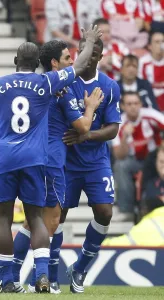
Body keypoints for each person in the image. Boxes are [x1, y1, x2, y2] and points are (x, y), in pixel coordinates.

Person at [0, 24, 102, 293]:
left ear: (15, 61)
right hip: (35, 158)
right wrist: (91, 40)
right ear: (38, 63)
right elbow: (81, 65)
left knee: (2, 219)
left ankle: (7, 282)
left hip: (3, 157)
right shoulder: (46, 82)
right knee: (37, 218)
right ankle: (43, 276)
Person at [61, 37, 121, 294]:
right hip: (66, 161)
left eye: (93, 52)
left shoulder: (109, 86)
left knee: (105, 213)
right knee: (57, 217)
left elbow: (113, 129)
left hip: (96, 162)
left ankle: (81, 267)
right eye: (83, 50)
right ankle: (49, 275)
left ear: (100, 56)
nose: (86, 55)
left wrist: (87, 135)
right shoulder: (66, 80)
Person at [112, 91, 164, 221]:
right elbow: (119, 155)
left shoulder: (151, 115)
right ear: (123, 106)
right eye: (129, 104)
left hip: (154, 159)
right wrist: (124, 137)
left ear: (141, 104)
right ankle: (127, 210)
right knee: (120, 166)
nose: (133, 106)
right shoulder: (118, 124)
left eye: (136, 103)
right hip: (133, 161)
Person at [139, 31, 164, 111]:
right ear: (149, 46)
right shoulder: (143, 62)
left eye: (163, 42)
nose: (161, 45)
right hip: (151, 102)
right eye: (157, 42)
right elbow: (142, 86)